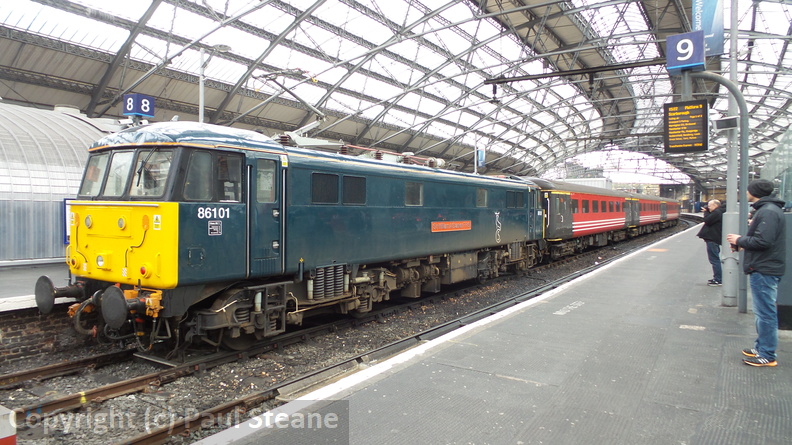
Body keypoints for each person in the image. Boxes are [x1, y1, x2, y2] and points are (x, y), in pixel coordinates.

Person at [726, 179, 786, 367]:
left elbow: (763, 242)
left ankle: (767, 354)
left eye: (747, 190)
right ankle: (761, 347)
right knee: (762, 312)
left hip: (764, 269)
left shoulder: (768, 211)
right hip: (764, 266)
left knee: (765, 313)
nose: (745, 192)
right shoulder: (768, 210)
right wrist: (742, 245)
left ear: (754, 191)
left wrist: (740, 239)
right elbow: (764, 241)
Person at [697, 199, 724, 286]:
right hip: (714, 239)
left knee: (714, 259)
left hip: (713, 239)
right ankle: (717, 278)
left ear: (715, 205)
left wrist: (706, 212)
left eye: (709, 206)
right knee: (714, 259)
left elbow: (707, 221)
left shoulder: (717, 213)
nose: (708, 207)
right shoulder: (718, 212)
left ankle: (718, 279)